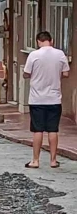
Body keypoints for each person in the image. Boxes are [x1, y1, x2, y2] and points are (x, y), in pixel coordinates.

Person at [24, 31, 70, 169]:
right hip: (54, 98)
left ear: (38, 41)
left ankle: (35, 160)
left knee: (38, 130)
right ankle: (53, 160)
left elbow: (26, 73)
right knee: (53, 129)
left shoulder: (34, 55)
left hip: (37, 99)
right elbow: (66, 73)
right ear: (52, 40)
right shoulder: (60, 54)